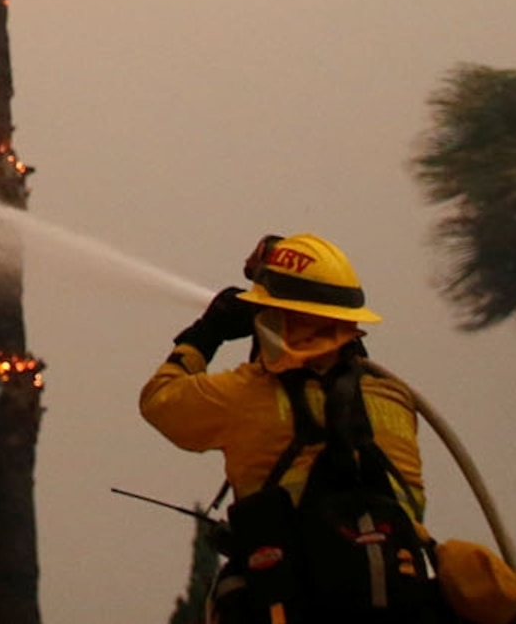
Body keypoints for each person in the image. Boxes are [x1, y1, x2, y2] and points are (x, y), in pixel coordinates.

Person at [142, 232, 439, 622]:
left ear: (271, 316)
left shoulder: (244, 396)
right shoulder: (396, 398)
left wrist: (207, 332)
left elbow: (159, 400)